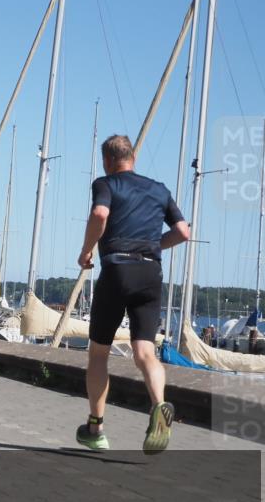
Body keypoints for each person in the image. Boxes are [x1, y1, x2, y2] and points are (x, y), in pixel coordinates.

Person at [75, 135, 190, 454]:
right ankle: (159, 405)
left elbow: (100, 214)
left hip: (117, 268)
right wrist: (154, 245)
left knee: (99, 353)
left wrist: (86, 251)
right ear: (133, 157)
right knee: (145, 352)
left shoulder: (106, 183)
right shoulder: (159, 189)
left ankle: (95, 429)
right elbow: (183, 232)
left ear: (108, 161)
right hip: (150, 272)